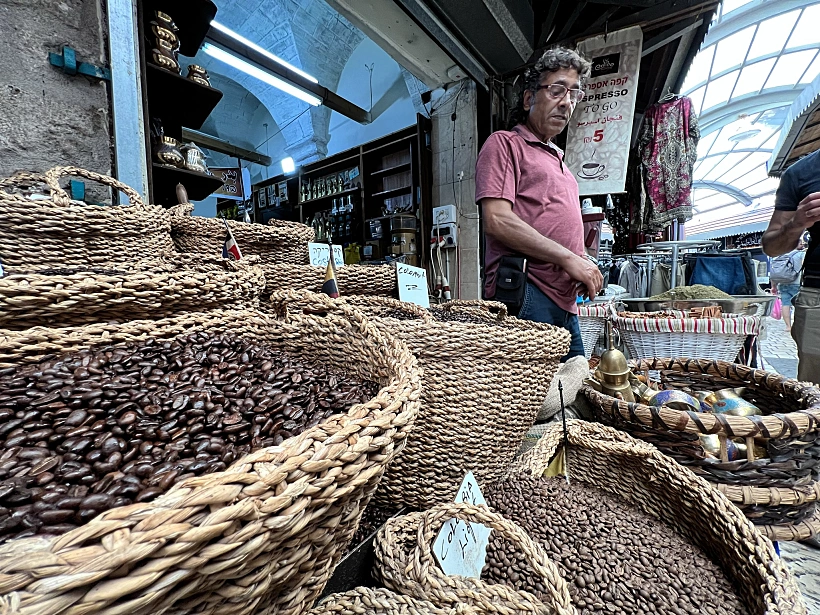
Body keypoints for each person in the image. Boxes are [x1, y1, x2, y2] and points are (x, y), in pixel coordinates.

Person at [475, 47, 602, 360]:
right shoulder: (505, 144)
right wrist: (567, 259)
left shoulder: (560, 159)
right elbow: (497, 220)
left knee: (570, 390)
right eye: (557, 90)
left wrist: (582, 261)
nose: (566, 102)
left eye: (574, 93)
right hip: (528, 291)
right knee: (530, 400)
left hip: (564, 300)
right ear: (529, 98)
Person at [762, 148, 820, 382]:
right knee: (815, 389)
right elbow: (771, 246)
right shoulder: (801, 172)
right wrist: (797, 223)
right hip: (817, 297)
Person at [770, 240, 805, 333]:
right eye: (799, 242)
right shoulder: (800, 254)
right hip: (796, 283)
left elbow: (774, 273)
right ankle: (797, 325)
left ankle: (788, 326)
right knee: (798, 305)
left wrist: (773, 286)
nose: (802, 244)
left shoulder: (779, 255)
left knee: (785, 304)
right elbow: (803, 267)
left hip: (782, 284)